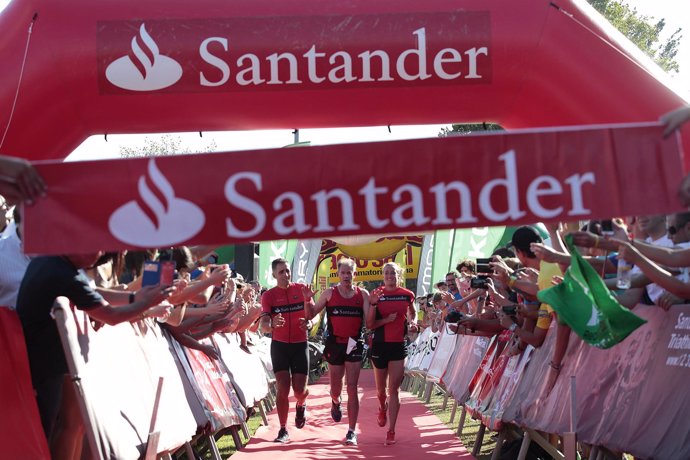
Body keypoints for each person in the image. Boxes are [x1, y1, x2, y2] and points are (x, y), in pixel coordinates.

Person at [15, 251, 174, 460]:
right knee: (51, 431)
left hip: (50, 363)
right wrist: (146, 302)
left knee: (74, 425)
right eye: (95, 247)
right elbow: (110, 315)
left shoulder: (55, 264)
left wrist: (138, 299)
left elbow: (94, 293)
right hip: (42, 366)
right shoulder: (60, 272)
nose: (99, 255)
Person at [306, 257, 369, 445]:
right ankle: (335, 401)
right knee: (336, 387)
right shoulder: (329, 293)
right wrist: (306, 298)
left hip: (353, 343)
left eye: (350, 272)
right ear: (338, 274)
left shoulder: (362, 294)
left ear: (354, 274)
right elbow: (311, 313)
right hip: (335, 344)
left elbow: (370, 320)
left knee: (352, 387)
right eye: (343, 272)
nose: (346, 276)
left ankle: (351, 431)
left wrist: (374, 306)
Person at [259, 258, 314, 444]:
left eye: (287, 271)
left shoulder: (301, 289)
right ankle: (283, 429)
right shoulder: (268, 296)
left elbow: (312, 316)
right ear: (274, 274)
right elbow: (263, 324)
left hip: (300, 345)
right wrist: (271, 325)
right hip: (280, 345)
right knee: (283, 388)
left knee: (299, 390)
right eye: (281, 272)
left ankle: (301, 403)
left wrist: (310, 322)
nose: (286, 275)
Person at [366, 262, 418, 445]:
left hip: (398, 346)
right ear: (383, 275)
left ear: (398, 275)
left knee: (394, 390)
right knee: (381, 391)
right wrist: (386, 319)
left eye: (392, 273)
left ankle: (392, 430)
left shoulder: (407, 295)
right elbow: (370, 325)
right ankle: (382, 407)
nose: (389, 275)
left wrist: (412, 323)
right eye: (386, 273)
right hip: (379, 345)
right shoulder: (377, 294)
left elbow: (413, 313)